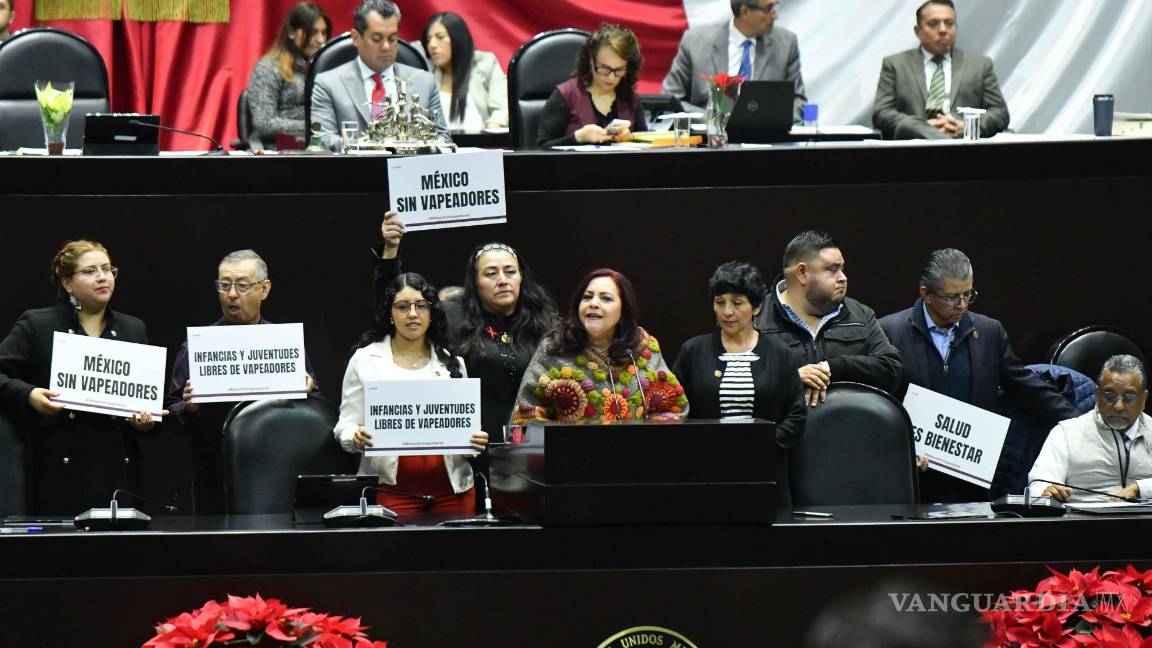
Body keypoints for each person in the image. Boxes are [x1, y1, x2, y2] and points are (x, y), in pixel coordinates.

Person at [373, 211, 557, 510]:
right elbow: (396, 303)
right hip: (474, 456)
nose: (502, 280)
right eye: (490, 273)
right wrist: (390, 251)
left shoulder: (546, 323)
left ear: (522, 276)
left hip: (535, 456)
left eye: (510, 272)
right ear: (475, 281)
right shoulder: (455, 317)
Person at [879, 249, 1080, 502]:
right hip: (915, 475)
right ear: (926, 294)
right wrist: (901, 450)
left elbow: (1025, 386)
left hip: (974, 478)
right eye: (952, 297)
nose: (962, 305)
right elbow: (880, 404)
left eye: (968, 294)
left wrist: (1080, 425)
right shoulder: (890, 332)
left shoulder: (988, 331)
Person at [0, 241, 158, 515]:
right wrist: (29, 395)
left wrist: (145, 422)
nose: (102, 277)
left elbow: (148, 406)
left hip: (118, 475)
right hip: (59, 475)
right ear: (68, 283)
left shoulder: (133, 329)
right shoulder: (38, 325)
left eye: (107, 269)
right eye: (90, 271)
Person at [165, 249, 317, 514]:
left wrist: (308, 390)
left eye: (243, 285)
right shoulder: (197, 348)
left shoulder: (284, 344)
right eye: (224, 285)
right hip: (216, 480)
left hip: (275, 475)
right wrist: (189, 408)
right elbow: (171, 414)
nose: (231, 294)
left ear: (264, 289)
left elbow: (315, 412)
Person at [335, 272, 488, 515]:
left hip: (454, 491)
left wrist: (475, 440)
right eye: (403, 306)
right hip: (392, 491)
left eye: (421, 306)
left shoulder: (453, 363)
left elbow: (466, 427)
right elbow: (345, 424)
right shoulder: (365, 360)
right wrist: (355, 435)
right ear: (390, 313)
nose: (413, 314)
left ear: (431, 312)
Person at [673, 261, 805, 505]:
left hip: (766, 473)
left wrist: (757, 444)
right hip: (706, 474)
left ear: (756, 307)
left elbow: (796, 416)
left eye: (737, 302)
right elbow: (674, 412)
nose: (727, 311)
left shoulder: (781, 354)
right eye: (720, 302)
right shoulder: (693, 351)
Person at [512, 269, 688, 424]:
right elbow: (523, 417)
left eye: (606, 298)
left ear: (623, 310)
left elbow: (675, 409)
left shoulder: (643, 348)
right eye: (587, 297)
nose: (593, 303)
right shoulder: (554, 348)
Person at [754, 231, 902, 407]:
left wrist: (833, 368)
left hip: (848, 428)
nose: (843, 278)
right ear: (802, 273)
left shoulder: (861, 314)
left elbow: (891, 369)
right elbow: (728, 383)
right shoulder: (756, 318)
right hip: (783, 431)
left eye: (842, 269)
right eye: (832, 270)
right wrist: (790, 379)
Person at [310, 0, 448, 151]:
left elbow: (443, 138)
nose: (386, 47)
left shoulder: (424, 81)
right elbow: (322, 138)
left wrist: (421, 148)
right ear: (356, 38)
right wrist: (366, 148)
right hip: (355, 170)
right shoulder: (328, 83)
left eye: (392, 38)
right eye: (377, 39)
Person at [872, 0, 1009, 140]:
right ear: (917, 31)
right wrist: (923, 127)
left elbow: (1000, 112)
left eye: (949, 23)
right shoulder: (896, 65)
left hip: (965, 145)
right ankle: (945, 143)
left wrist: (966, 126)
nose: (943, 30)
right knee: (908, 125)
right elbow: (882, 113)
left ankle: (946, 145)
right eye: (933, 24)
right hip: (914, 149)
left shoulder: (979, 65)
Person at [1028, 355, 1152, 503]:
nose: (1119, 406)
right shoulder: (1066, 433)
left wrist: (1139, 488)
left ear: (1143, 399)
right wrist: (1045, 492)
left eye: (1129, 397)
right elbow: (1038, 485)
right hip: (1084, 523)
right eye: (1109, 395)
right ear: (1097, 395)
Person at [661, 0, 807, 121]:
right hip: (709, 143)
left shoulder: (786, 44)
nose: (775, 15)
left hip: (766, 144)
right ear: (745, 11)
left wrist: (764, 119)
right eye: (769, 8)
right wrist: (713, 119)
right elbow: (670, 100)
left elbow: (799, 103)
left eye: (775, 6)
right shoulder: (695, 43)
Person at [536, 23, 648, 148]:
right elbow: (541, 148)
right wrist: (578, 137)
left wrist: (631, 138)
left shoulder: (631, 99)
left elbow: (647, 147)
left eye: (618, 70)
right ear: (590, 61)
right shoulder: (566, 95)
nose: (611, 77)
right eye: (604, 69)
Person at [244, 2, 331, 149]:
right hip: (278, 152)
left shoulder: (326, 69)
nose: (321, 40)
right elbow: (264, 122)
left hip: (323, 148)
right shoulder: (268, 68)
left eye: (323, 33)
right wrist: (315, 127)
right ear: (291, 32)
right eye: (313, 32)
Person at [422, 12, 508, 130]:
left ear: (457, 38)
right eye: (429, 39)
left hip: (481, 144)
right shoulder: (427, 71)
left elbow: (501, 111)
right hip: (440, 145)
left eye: (440, 37)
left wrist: (491, 133)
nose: (432, 45)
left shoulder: (485, 63)